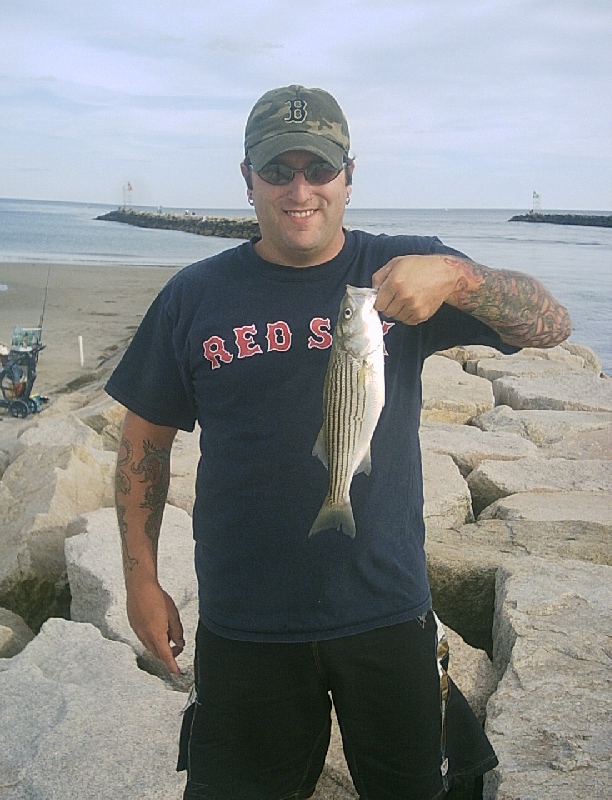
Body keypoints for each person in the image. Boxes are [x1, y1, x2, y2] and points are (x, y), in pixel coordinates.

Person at [105, 85, 571, 800]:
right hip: (244, 619)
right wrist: (140, 577)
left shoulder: (405, 268)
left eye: (319, 170)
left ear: (349, 176)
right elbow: (145, 441)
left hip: (386, 607)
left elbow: (550, 323)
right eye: (278, 171)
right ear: (247, 179)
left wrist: (458, 276)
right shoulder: (193, 295)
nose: (300, 190)